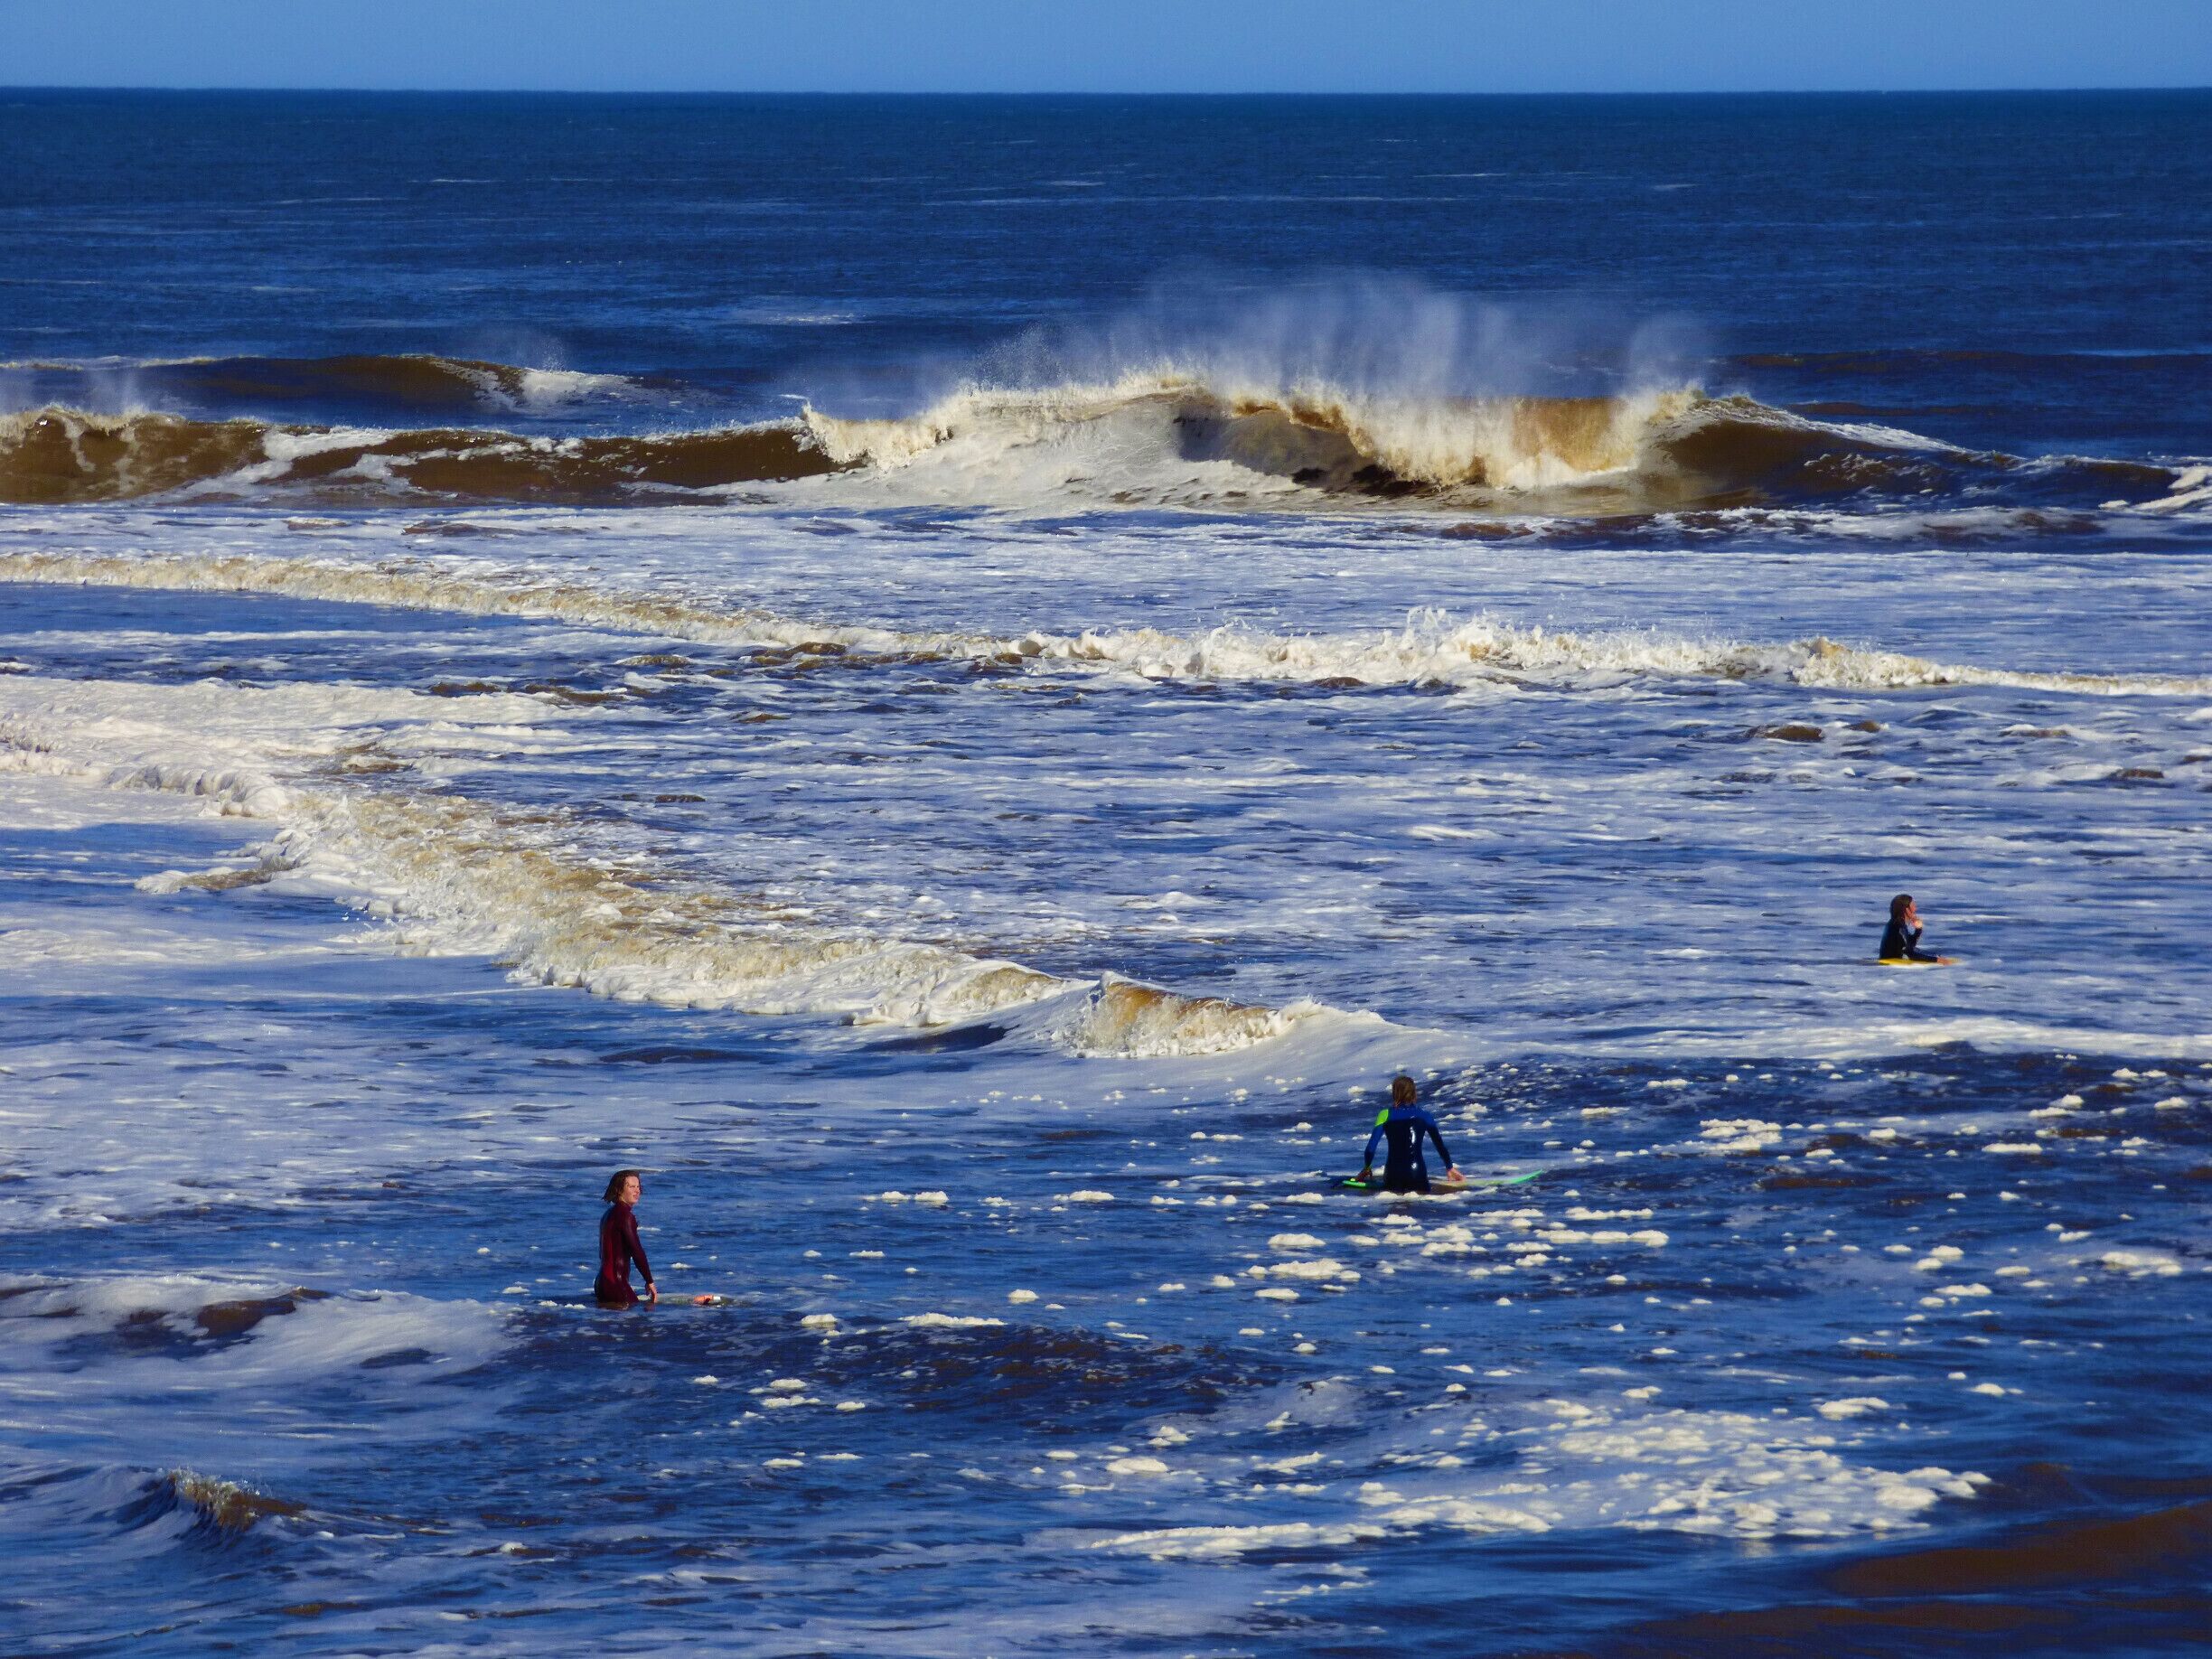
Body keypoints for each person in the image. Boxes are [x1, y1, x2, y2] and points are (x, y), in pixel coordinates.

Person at [1356, 1075, 1463, 1194]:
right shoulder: (1424, 1115)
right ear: (1413, 1093)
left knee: (1394, 1207)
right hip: (1417, 1174)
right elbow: (1439, 1145)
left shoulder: (1385, 1114)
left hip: (1392, 1175)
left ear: (1395, 1093)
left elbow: (1370, 1149)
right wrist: (1449, 1167)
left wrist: (1367, 1168)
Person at [595, 1169, 657, 1307]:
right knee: (638, 1321)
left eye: (638, 1186)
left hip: (602, 1282)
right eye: (631, 1186)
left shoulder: (608, 1214)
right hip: (616, 1284)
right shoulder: (626, 1216)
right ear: (619, 1190)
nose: (637, 1191)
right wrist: (649, 1281)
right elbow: (637, 1251)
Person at [1879, 894, 1954, 964]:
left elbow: (1910, 946)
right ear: (1906, 910)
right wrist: (1936, 960)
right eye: (1913, 906)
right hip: (1889, 967)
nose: (1915, 909)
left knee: (1934, 954)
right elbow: (1910, 954)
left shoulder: (1897, 924)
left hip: (1893, 964)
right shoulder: (1897, 928)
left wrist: (1918, 930)